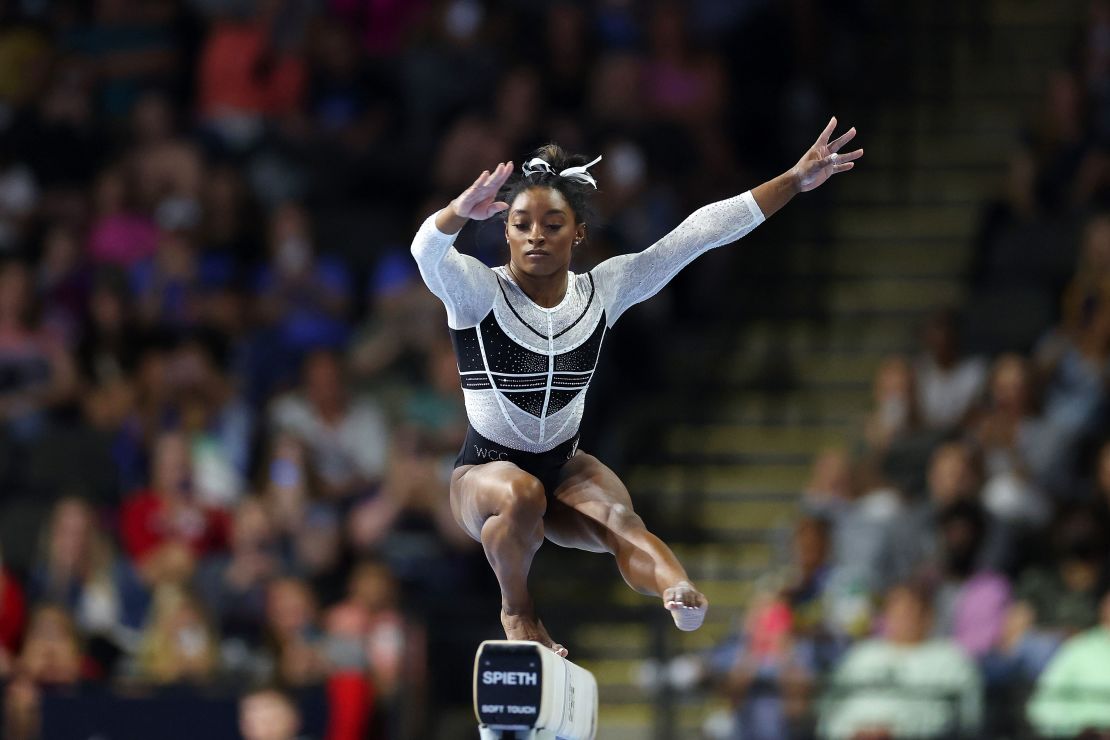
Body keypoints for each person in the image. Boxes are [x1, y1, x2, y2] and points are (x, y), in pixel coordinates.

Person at [410, 118, 863, 654]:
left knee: (620, 519)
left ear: (578, 231)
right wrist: (457, 212)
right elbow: (425, 253)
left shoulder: (604, 290)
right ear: (505, 228)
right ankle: (518, 609)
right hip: (482, 474)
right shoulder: (478, 293)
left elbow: (698, 234)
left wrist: (793, 179)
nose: (536, 235)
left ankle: (677, 590)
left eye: (552, 223)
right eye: (522, 223)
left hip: (562, 462)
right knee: (520, 495)